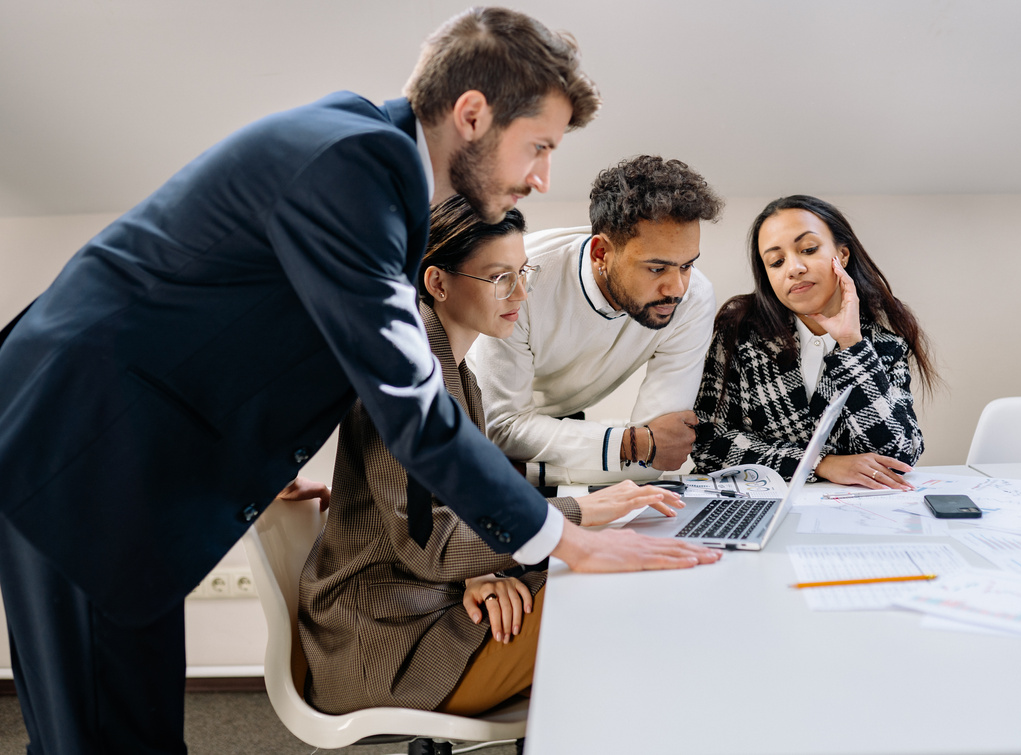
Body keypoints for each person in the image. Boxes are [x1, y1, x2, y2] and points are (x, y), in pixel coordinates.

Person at [0, 9, 716, 754]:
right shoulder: (353, 166)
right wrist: (562, 538)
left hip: (115, 444)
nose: (541, 175)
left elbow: (248, 329)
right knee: (95, 734)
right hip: (77, 442)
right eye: (537, 146)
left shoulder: (366, 163)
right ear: (472, 115)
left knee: (129, 730)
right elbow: (408, 404)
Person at [298, 196, 684, 716]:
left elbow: (456, 506)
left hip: (429, 604)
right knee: (614, 596)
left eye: (524, 273)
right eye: (501, 278)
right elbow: (426, 541)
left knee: (609, 580)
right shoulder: (409, 386)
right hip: (389, 646)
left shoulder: (457, 375)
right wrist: (580, 515)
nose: (522, 293)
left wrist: (481, 573)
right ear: (438, 283)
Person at [469, 155, 724, 488]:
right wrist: (631, 444)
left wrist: (532, 473)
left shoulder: (694, 299)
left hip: (560, 429)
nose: (676, 289)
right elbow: (499, 427)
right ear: (601, 254)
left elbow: (660, 452)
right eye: (657, 268)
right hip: (466, 427)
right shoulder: (520, 279)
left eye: (687, 265)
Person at [693, 195, 938, 488]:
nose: (793, 268)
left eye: (808, 249)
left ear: (843, 254)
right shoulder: (740, 330)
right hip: (761, 508)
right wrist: (818, 463)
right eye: (776, 261)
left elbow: (898, 455)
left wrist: (852, 344)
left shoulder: (884, 337)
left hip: (852, 514)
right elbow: (708, 444)